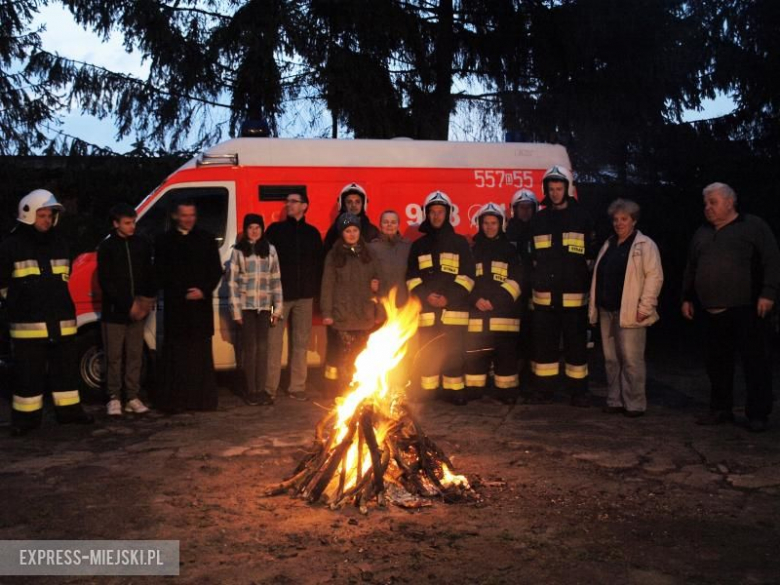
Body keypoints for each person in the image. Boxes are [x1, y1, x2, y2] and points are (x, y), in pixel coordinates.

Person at [682, 182, 780, 432]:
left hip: (746, 307)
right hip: (710, 310)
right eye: (705, 203)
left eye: (713, 202)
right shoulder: (702, 232)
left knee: (755, 362)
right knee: (716, 363)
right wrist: (687, 297)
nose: (708, 208)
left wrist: (768, 293)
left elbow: (772, 259)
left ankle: (757, 414)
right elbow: (692, 266)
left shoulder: (753, 226)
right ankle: (721, 409)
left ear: (729, 202)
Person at [0, 189, 94, 435]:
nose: (47, 220)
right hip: (27, 325)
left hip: (61, 320)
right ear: (28, 214)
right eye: (42, 215)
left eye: (50, 215)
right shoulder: (11, 245)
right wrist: (16, 304)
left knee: (66, 372)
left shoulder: (60, 242)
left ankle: (70, 413)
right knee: (27, 376)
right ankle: (25, 421)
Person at [588, 199, 663, 417]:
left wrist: (646, 306)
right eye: (616, 219)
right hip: (607, 310)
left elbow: (654, 277)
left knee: (631, 360)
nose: (619, 223)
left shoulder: (645, 245)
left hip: (630, 310)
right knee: (611, 359)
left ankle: (635, 404)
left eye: (624, 219)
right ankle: (615, 400)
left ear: (634, 221)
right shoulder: (609, 243)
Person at [529, 166, 596, 407]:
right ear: (545, 190)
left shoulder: (582, 217)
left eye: (559, 188)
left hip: (574, 298)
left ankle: (578, 392)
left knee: (576, 348)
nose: (555, 193)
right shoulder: (538, 220)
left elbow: (590, 256)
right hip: (545, 298)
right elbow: (533, 257)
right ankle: (544, 391)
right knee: (544, 348)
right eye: (551, 189)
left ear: (567, 189)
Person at [406, 191, 475, 405]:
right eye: (433, 212)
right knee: (428, 352)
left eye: (440, 212)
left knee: (454, 353)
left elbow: (468, 277)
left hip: (454, 312)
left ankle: (454, 391)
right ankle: (428, 391)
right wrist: (427, 297)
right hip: (428, 312)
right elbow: (411, 278)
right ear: (427, 215)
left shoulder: (460, 243)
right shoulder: (418, 245)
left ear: (448, 214)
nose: (436, 216)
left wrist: (448, 298)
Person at [154, 199, 223, 413]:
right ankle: (177, 402)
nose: (189, 219)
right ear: (175, 216)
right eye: (185, 215)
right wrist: (180, 291)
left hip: (200, 309)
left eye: (192, 215)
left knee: (199, 357)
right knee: (177, 358)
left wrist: (203, 290)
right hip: (177, 308)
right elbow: (160, 272)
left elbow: (215, 270)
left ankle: (201, 401)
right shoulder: (164, 241)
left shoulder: (206, 238)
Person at [97, 203, 155, 417]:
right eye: (127, 223)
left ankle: (132, 396)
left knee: (134, 355)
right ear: (116, 224)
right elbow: (106, 281)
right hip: (115, 312)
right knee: (113, 356)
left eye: (134, 222)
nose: (132, 227)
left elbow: (149, 274)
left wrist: (146, 301)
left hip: (138, 310)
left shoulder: (141, 244)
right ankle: (114, 397)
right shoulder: (107, 247)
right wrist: (126, 304)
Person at [265, 191, 324, 401]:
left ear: (304, 206)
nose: (288, 205)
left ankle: (297, 387)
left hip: (305, 297)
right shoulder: (274, 231)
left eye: (293, 201)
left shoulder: (312, 233)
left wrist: (316, 294)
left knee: (300, 343)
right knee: (273, 342)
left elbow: (319, 265)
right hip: (278, 297)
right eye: (287, 201)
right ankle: (269, 388)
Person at [465, 203, 522, 404]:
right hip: (478, 315)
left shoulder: (510, 251)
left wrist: (496, 301)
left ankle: (506, 392)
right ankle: (474, 390)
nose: (489, 227)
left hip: (503, 316)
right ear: (480, 224)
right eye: (486, 223)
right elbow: (464, 280)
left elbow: (516, 281)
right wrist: (475, 300)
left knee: (505, 357)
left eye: (493, 223)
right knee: (476, 355)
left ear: (501, 225)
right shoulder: (471, 250)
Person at [320, 213, 380, 398]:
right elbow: (327, 285)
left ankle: (363, 395)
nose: (352, 234)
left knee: (363, 358)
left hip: (364, 315)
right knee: (345, 359)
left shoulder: (369, 253)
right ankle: (345, 395)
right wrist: (327, 312)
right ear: (342, 233)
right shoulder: (334, 255)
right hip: (343, 316)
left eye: (355, 230)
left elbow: (379, 280)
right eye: (348, 231)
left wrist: (376, 284)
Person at [228, 213, 283, 406]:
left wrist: (277, 310)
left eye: (257, 227)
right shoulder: (238, 252)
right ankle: (251, 390)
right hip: (247, 308)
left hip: (264, 307)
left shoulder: (270, 250)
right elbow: (233, 283)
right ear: (246, 230)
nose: (254, 231)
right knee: (249, 350)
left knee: (263, 349)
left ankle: (262, 390)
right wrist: (236, 312)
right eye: (250, 227)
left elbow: (276, 281)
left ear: (262, 229)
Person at [505, 189, 538, 389]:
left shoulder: (539, 231)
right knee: (513, 340)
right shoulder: (508, 234)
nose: (525, 212)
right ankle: (514, 378)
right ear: (514, 210)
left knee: (533, 338)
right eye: (521, 208)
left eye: (529, 208)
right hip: (513, 296)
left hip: (534, 295)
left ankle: (531, 380)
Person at [369, 209, 412, 312]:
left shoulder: (408, 246)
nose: (389, 225)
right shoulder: (371, 247)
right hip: (380, 303)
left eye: (393, 222)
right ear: (380, 224)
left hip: (403, 304)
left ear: (398, 225)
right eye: (386, 222)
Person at [323, 183, 380, 251]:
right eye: (349, 202)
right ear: (343, 205)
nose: (353, 205)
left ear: (363, 204)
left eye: (357, 202)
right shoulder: (334, 230)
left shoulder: (371, 231)